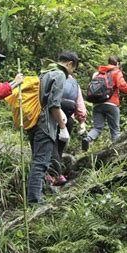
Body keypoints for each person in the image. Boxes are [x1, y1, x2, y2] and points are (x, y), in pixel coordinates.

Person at [27, 51, 79, 204]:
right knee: (40, 163)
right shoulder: (60, 75)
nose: (71, 73)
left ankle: (35, 195)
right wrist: (63, 128)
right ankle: (35, 200)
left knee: (37, 161)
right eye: (73, 69)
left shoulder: (45, 73)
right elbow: (54, 105)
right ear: (69, 64)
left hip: (34, 122)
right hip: (45, 124)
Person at [81, 55, 127, 151]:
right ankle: (116, 153)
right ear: (118, 64)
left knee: (97, 128)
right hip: (111, 104)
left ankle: (87, 138)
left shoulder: (97, 74)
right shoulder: (116, 72)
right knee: (115, 131)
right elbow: (122, 85)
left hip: (97, 104)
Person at [47, 74, 87, 186]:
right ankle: (57, 175)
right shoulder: (74, 83)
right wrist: (82, 121)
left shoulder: (53, 77)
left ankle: (55, 175)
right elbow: (80, 104)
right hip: (69, 119)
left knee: (52, 145)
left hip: (53, 115)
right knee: (59, 148)